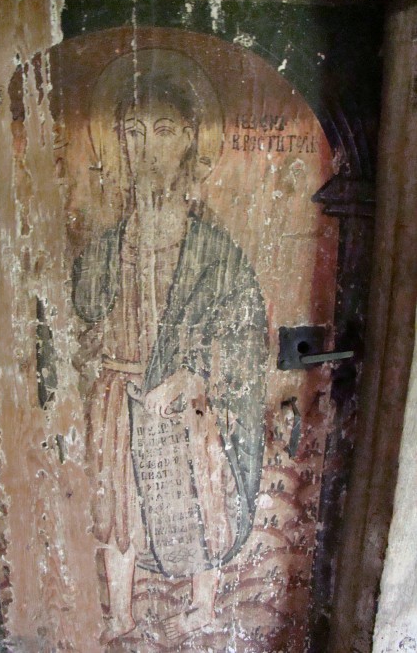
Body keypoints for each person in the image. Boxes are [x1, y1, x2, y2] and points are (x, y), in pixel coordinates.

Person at [72, 48, 267, 645]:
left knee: (203, 500)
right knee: (120, 507)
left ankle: (205, 609)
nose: (147, 147)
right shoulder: (104, 249)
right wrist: (94, 359)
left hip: (186, 404)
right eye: (133, 132)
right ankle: (122, 616)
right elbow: (77, 327)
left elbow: (244, 336)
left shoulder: (214, 252)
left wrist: (192, 377)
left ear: (189, 141)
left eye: (163, 131)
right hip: (120, 397)